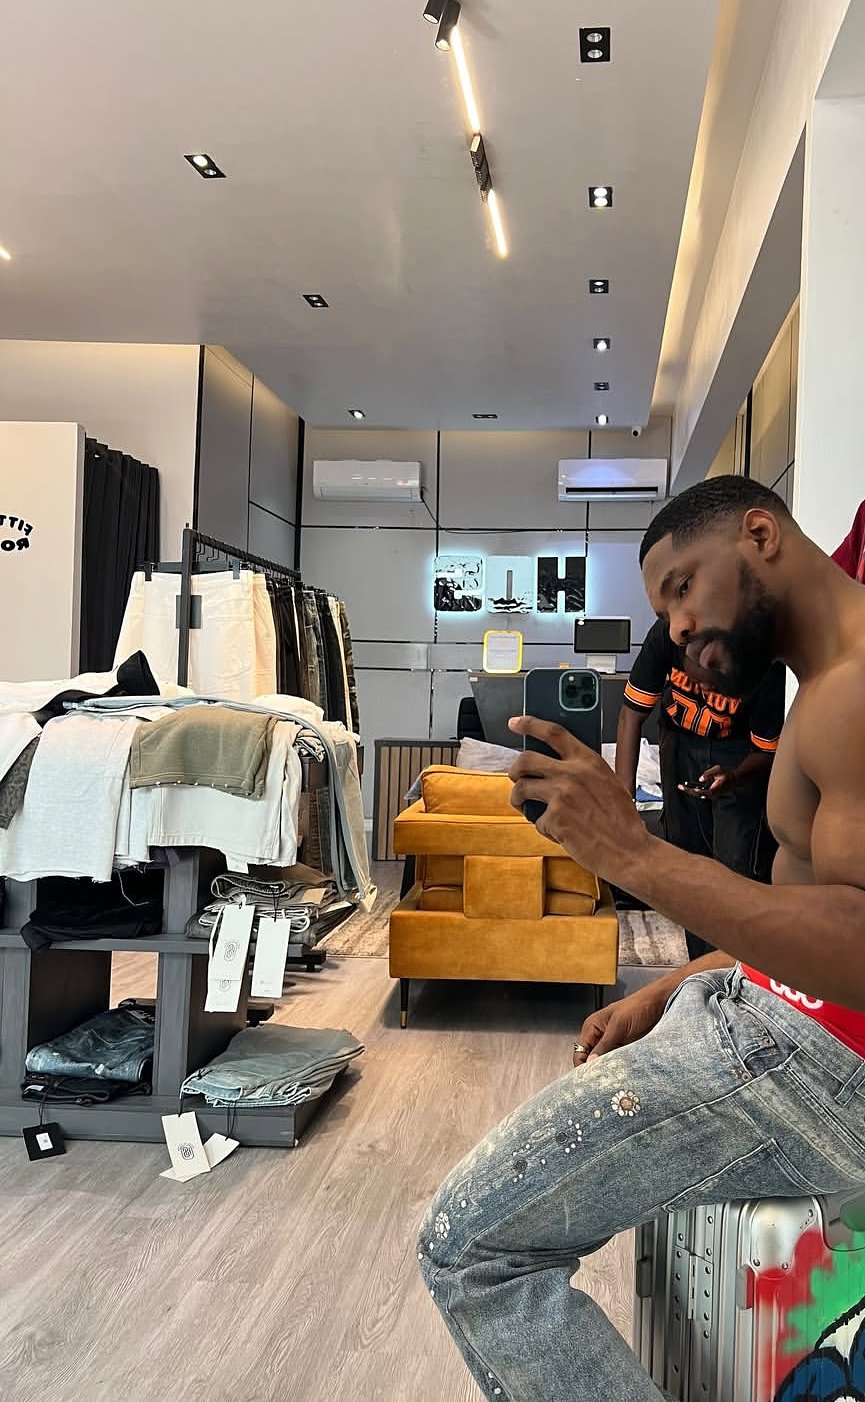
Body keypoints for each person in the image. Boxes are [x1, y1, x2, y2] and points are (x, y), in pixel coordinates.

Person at [418, 476, 865, 1402]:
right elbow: (809, 915)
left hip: (821, 1065)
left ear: (759, 534)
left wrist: (632, 854)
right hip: (768, 1016)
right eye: (663, 608)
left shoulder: (856, 692)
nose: (677, 626)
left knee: (469, 1247)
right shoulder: (823, 687)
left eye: (682, 588)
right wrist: (673, 984)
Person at [616, 617, 784, 958]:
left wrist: (734, 776)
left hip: (739, 756)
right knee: (684, 864)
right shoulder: (667, 634)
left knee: (736, 871)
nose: (705, 691)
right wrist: (623, 802)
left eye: (713, 682)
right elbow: (631, 715)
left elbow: (767, 752)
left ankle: (731, 971)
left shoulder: (765, 664)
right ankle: (698, 967)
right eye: (695, 679)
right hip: (678, 744)